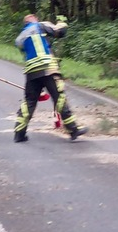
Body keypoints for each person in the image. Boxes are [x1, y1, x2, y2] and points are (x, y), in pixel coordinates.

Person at [13, 14, 87, 143]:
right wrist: (62, 22)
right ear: (34, 19)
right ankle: (73, 129)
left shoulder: (19, 39)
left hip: (31, 71)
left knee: (29, 102)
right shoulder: (40, 25)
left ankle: (19, 133)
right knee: (59, 98)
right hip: (48, 68)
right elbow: (60, 31)